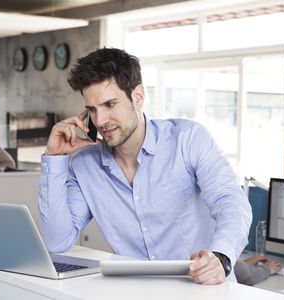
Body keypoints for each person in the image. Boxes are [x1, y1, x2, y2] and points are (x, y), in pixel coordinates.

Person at [38, 48, 252, 284]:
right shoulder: (84, 165)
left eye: (110, 104)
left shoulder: (187, 139)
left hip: (203, 289)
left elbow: (231, 202)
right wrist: (54, 158)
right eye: (92, 110)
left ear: (137, 97)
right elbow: (56, 241)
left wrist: (221, 257)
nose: (100, 121)